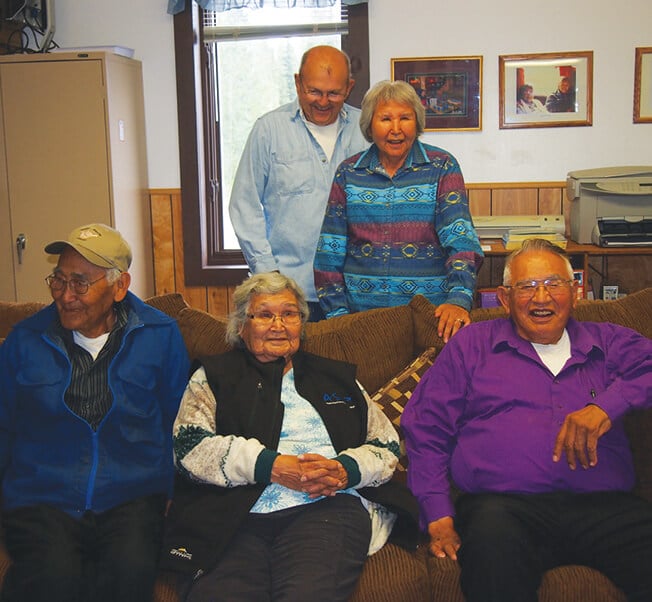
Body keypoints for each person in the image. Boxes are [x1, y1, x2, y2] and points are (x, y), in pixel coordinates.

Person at [402, 238, 652, 602]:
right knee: (492, 566)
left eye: (553, 284)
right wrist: (437, 512)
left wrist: (608, 405)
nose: (541, 298)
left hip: (606, 506)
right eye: (527, 287)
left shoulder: (608, 340)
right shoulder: (472, 345)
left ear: (575, 292)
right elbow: (426, 428)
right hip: (502, 509)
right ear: (504, 298)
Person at [161, 271, 417, 601]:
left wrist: (344, 470)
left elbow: (384, 444)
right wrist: (270, 465)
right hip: (233, 514)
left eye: (289, 314)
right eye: (265, 314)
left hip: (326, 509)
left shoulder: (336, 377)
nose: (278, 325)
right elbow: (188, 446)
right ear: (242, 326)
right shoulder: (213, 376)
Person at [0, 223, 190, 602]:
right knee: (51, 579)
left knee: (127, 577)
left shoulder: (159, 334)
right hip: (44, 494)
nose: (66, 295)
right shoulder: (25, 340)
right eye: (59, 280)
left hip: (132, 494)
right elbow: (4, 425)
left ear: (120, 286)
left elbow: (178, 423)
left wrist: (172, 493)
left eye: (81, 283)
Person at [314, 79, 484, 342]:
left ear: (417, 122)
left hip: (430, 319)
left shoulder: (442, 167)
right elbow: (329, 252)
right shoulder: (349, 173)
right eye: (385, 119)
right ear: (370, 125)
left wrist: (459, 300)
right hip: (361, 321)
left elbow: (461, 242)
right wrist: (339, 318)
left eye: (405, 118)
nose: (396, 129)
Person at [229, 45, 369, 322]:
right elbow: (244, 204)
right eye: (314, 91)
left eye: (334, 93)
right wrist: (268, 274)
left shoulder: (366, 129)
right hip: (289, 292)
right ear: (297, 82)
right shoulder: (269, 130)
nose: (323, 101)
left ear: (349, 87)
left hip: (355, 291)